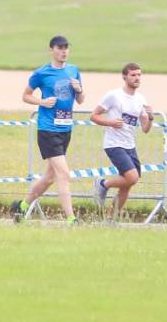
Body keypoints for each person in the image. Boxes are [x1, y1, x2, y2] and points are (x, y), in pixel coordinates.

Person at [12, 35, 85, 224]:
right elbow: (26, 96)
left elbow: (81, 100)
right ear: (51, 50)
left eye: (66, 48)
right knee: (64, 174)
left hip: (65, 129)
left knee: (49, 177)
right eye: (60, 48)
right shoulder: (42, 73)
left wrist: (79, 89)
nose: (64, 51)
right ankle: (71, 219)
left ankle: (22, 206)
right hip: (47, 129)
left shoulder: (73, 70)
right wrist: (42, 102)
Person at [91, 62, 154, 220]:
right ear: (124, 77)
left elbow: (145, 129)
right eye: (133, 75)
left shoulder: (141, 99)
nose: (137, 78)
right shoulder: (114, 95)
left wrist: (151, 117)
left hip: (130, 145)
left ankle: (111, 219)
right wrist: (110, 122)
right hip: (113, 144)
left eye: (139, 75)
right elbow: (93, 116)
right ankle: (103, 184)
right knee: (132, 177)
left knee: (127, 185)